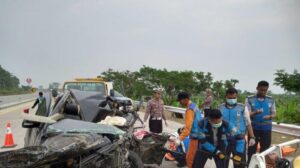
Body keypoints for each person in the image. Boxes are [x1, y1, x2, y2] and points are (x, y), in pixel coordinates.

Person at [218, 88, 255, 167]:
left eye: (234, 98)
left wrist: (252, 137)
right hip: (224, 139)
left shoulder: (242, 107)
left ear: (236, 97)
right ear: (226, 97)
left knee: (239, 163)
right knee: (222, 163)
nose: (232, 100)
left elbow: (248, 123)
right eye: (230, 98)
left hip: (239, 140)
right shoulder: (220, 108)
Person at [246, 81, 276, 163]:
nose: (263, 92)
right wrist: (255, 112)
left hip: (266, 129)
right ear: (257, 88)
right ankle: (250, 165)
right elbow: (247, 114)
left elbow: (274, 113)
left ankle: (262, 165)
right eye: (261, 90)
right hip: (253, 130)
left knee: (265, 151)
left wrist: (269, 116)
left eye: (265, 90)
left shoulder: (271, 100)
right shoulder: (249, 99)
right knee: (251, 150)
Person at [173, 92, 203, 168]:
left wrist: (179, 139)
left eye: (180, 100)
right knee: (197, 157)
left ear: (185, 99)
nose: (179, 102)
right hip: (200, 134)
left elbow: (188, 128)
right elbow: (195, 119)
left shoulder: (190, 109)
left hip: (195, 136)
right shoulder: (194, 105)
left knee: (189, 158)